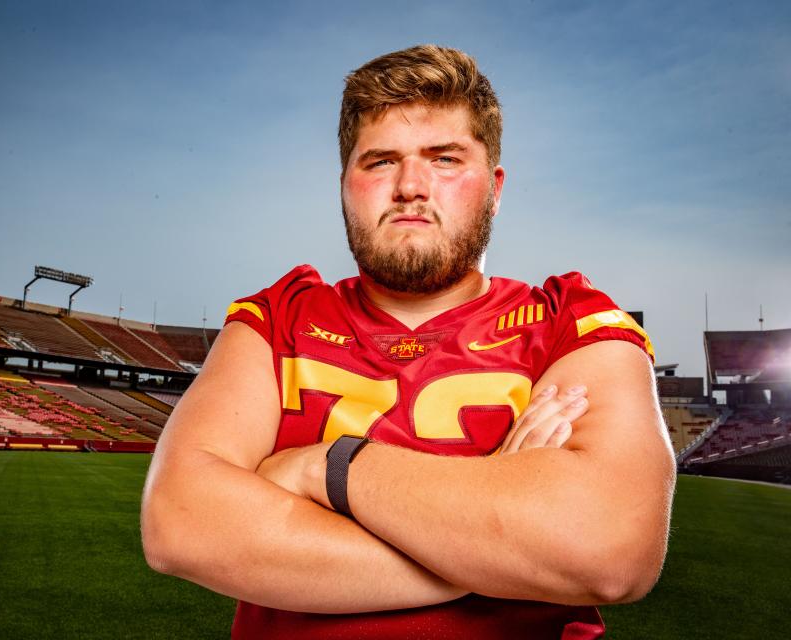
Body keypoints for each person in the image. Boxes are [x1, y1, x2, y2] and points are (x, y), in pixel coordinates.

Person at [141, 44, 675, 639]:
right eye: (379, 162)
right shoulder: (277, 319)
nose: (410, 186)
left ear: (495, 188)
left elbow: (607, 550)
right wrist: (499, 543)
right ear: (345, 185)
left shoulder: (569, 320)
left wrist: (326, 467)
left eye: (444, 159)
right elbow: (180, 523)